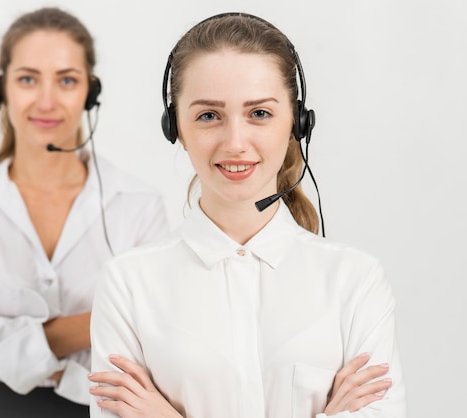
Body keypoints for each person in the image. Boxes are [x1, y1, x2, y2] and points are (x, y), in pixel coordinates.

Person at [87, 12, 406, 418]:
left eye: (259, 113)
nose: (235, 142)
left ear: (296, 122)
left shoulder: (354, 282)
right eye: (208, 115)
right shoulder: (128, 284)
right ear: (176, 128)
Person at [0, 7, 169, 418]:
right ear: (1, 89)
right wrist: (104, 321)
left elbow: (155, 347)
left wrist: (5, 330)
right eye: (27, 79)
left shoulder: (137, 205)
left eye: (67, 80)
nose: (47, 101)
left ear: (90, 92)